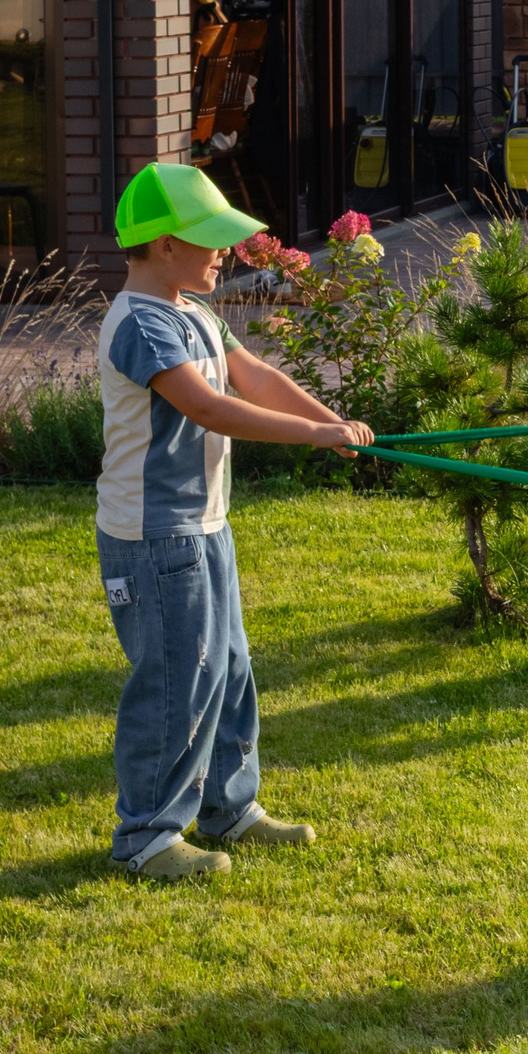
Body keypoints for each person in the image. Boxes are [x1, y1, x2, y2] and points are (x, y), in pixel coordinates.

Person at [97, 164, 376, 882]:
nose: (224, 251)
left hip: (204, 525)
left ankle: (228, 806)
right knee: (176, 679)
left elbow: (253, 378)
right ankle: (149, 836)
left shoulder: (194, 311)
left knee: (228, 668)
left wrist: (330, 421)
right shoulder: (139, 323)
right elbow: (208, 407)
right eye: (209, 238)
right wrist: (308, 439)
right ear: (163, 246)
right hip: (155, 535)